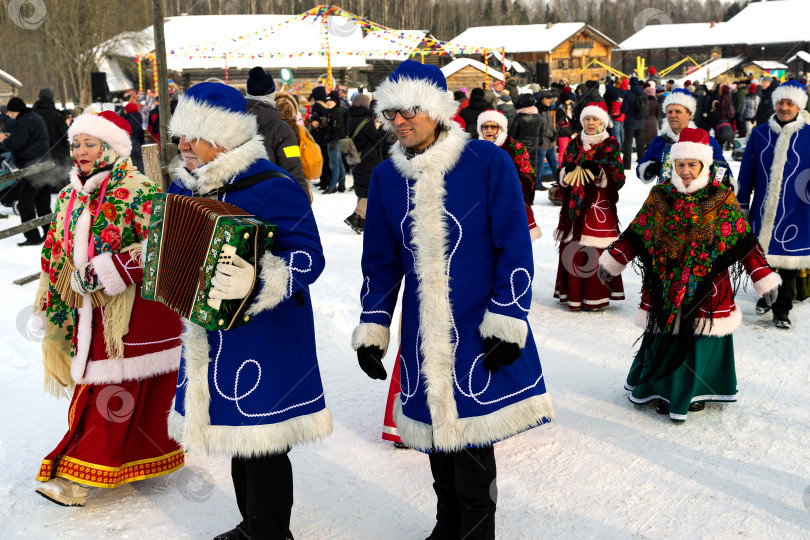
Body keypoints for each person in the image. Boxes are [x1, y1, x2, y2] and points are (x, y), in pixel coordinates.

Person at [352, 60, 554, 540]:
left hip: (477, 327)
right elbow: (380, 263)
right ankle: (447, 527)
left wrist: (507, 317)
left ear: (439, 109)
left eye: (412, 110)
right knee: (435, 438)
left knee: (472, 439)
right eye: (392, 112)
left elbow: (514, 246)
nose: (400, 121)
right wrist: (373, 327)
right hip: (423, 332)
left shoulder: (487, 161)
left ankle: (476, 531)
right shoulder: (384, 178)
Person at [167, 82, 331, 540]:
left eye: (192, 135)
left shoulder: (271, 184)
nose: (181, 145)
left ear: (223, 136)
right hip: (212, 338)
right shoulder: (184, 184)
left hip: (265, 336)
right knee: (236, 437)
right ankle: (251, 524)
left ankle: (271, 532)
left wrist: (257, 278)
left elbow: (308, 256)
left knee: (264, 444)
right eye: (179, 135)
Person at [33, 110, 184, 506]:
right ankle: (139, 459)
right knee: (106, 389)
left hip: (128, 312)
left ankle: (77, 476)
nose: (80, 152)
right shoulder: (70, 193)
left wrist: (107, 270)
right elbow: (55, 246)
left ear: (110, 148)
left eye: (89, 144)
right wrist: (53, 288)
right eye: (76, 144)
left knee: (112, 391)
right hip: (83, 312)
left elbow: (162, 242)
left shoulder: (136, 187)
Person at [598, 127, 781, 421]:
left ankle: (696, 390)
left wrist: (762, 277)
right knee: (663, 333)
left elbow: (744, 242)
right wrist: (613, 261)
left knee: (698, 335)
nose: (685, 170)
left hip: (707, 288)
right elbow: (637, 232)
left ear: (704, 165)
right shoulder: (659, 196)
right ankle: (659, 387)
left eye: (691, 164)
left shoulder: (722, 198)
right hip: (664, 281)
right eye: (679, 164)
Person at [737, 80, 810, 329]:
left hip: (797, 209)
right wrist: (742, 204)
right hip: (763, 209)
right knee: (762, 258)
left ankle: (782, 309)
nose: (784, 107)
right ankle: (764, 296)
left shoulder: (809, 135)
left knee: (788, 262)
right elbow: (746, 173)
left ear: (799, 106)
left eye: (790, 103)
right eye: (780, 101)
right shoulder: (759, 134)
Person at [554, 102, 625, 311]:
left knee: (595, 249)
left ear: (603, 122)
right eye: (587, 119)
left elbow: (619, 178)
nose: (590, 123)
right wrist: (565, 173)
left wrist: (600, 172)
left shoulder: (610, 145)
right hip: (574, 209)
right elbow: (562, 174)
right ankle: (573, 295)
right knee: (573, 246)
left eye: (595, 119)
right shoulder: (574, 144)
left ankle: (595, 296)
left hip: (598, 209)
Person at [636, 88, 729, 185]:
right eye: (669, 111)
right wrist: (651, 168)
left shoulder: (706, 140)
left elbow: (723, 171)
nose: (672, 115)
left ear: (689, 114)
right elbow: (640, 169)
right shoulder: (659, 141)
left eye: (678, 111)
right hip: (666, 198)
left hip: (698, 198)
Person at [245, 67, 311, 202]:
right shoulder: (282, 128)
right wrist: (303, 199)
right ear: (271, 94)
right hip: (271, 199)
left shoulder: (231, 122)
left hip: (237, 200)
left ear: (248, 93)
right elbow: (292, 167)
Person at [477, 110, 541, 241]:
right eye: (485, 126)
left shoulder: (515, 147)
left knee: (513, 242)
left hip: (511, 202)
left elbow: (528, 175)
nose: (489, 130)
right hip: (482, 205)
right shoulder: (476, 148)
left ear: (500, 128)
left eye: (493, 126)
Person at [0, 97, 52, 245]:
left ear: (16, 110)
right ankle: (50, 235)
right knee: (43, 203)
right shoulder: (35, 118)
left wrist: (4, 139)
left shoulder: (24, 121)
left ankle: (32, 237)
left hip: (32, 168)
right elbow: (29, 139)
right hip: (44, 165)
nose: (9, 115)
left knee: (25, 204)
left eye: (10, 112)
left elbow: (16, 145)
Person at [344, 92, 384, 233]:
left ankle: (362, 221)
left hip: (356, 158)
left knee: (362, 188)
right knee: (369, 190)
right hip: (369, 159)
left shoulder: (351, 117)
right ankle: (357, 216)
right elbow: (377, 139)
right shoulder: (366, 121)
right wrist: (379, 128)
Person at [509, 93, 544, 193]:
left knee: (519, 174)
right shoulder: (539, 117)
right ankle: (531, 197)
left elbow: (511, 136)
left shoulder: (519, 117)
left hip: (519, 150)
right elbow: (541, 136)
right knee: (531, 173)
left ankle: (520, 196)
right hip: (533, 151)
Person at [32, 88, 70, 174]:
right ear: (51, 98)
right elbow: (66, 137)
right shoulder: (57, 116)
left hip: (37, 159)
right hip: (58, 158)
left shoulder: (32, 116)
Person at [321, 90, 347, 194]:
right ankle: (341, 184)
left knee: (334, 165)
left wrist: (334, 141)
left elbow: (338, 128)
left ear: (336, 102)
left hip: (334, 142)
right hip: (334, 141)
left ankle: (332, 186)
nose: (328, 103)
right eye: (327, 101)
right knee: (339, 164)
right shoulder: (332, 112)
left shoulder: (336, 112)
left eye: (331, 101)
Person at [620, 77, 647, 170]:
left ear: (630, 84)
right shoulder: (644, 93)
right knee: (640, 143)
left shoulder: (629, 94)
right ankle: (642, 162)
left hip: (630, 122)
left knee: (628, 143)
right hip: (641, 122)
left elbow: (623, 109)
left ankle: (626, 165)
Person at [307, 86, 331, 190]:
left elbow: (314, 120)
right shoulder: (326, 104)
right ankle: (326, 180)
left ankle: (323, 182)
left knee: (320, 158)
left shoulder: (317, 105)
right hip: (326, 135)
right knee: (326, 159)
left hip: (318, 135)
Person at [537, 90, 558, 189]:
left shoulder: (548, 110)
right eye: (547, 98)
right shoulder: (538, 111)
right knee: (539, 165)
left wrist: (554, 133)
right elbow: (542, 128)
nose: (550, 100)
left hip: (549, 142)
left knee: (554, 163)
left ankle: (559, 181)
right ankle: (538, 184)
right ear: (542, 99)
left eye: (551, 98)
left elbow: (551, 125)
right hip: (542, 143)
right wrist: (551, 134)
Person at [121, 103, 145, 172]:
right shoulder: (138, 116)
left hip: (130, 143)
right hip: (138, 142)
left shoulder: (127, 119)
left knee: (132, 162)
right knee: (139, 161)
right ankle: (141, 174)